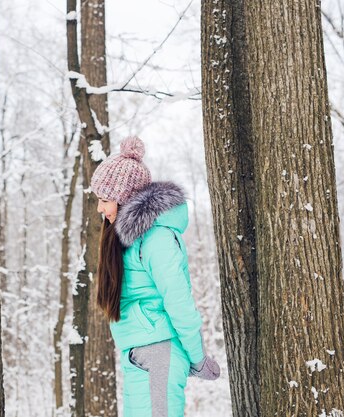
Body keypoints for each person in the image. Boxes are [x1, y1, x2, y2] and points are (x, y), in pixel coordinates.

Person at [90, 135, 220, 417]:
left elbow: (179, 300)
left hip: (160, 351)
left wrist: (198, 358)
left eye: (104, 200)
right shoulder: (123, 238)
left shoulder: (156, 239)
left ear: (124, 200)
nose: (100, 208)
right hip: (137, 353)